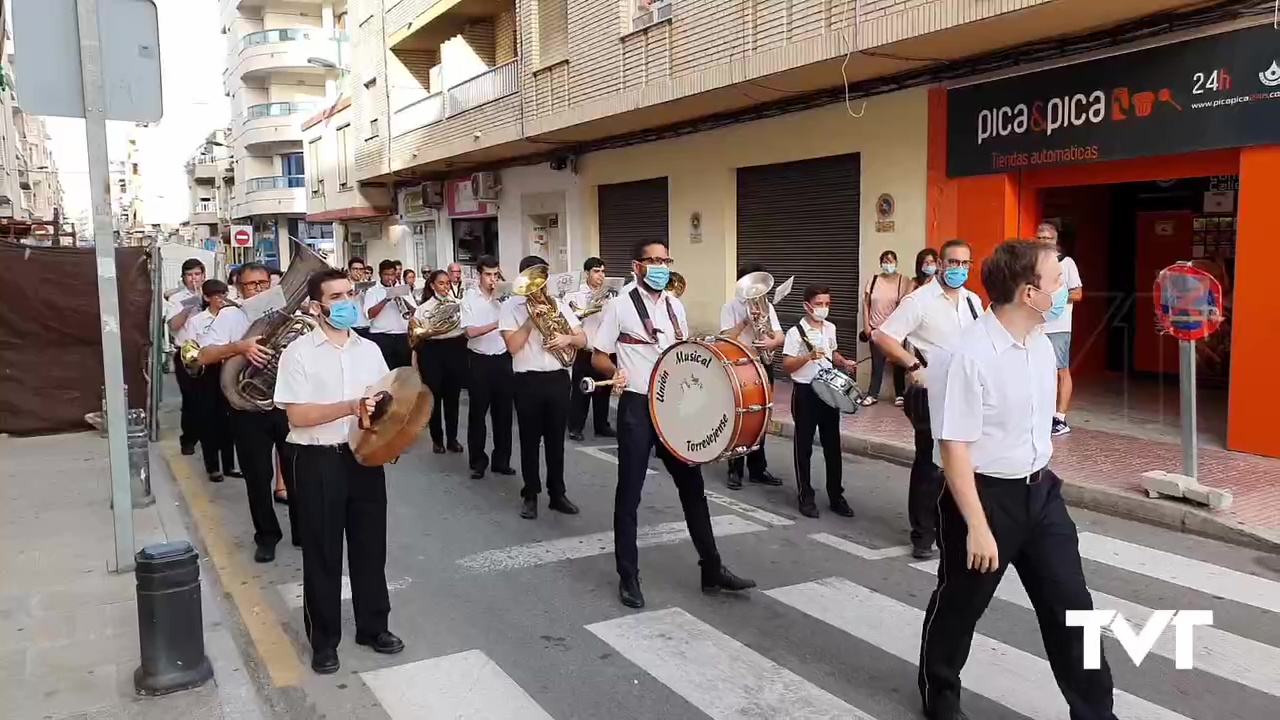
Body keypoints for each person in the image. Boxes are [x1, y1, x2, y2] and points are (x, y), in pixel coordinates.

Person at [918, 239, 1114, 720]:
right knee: (961, 605)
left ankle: (1096, 713)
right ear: (1030, 292)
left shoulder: (1043, 346)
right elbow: (954, 447)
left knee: (1073, 609)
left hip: (1041, 495)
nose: (1064, 287)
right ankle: (939, 691)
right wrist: (979, 527)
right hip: (985, 498)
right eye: (1056, 281)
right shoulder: (969, 354)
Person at [592, 240, 756, 609]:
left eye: (665, 259)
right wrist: (614, 371)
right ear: (637, 266)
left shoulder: (675, 305)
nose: (661, 266)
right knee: (629, 494)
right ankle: (628, 577)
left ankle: (711, 569)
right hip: (636, 404)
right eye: (653, 261)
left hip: (673, 405)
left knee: (693, 489)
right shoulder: (618, 306)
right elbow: (599, 356)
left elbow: (681, 353)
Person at [274, 267, 404, 675]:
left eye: (350, 294)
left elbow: (386, 401)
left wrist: (390, 428)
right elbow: (296, 413)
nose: (347, 302)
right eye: (336, 297)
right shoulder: (298, 353)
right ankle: (324, 640)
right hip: (316, 461)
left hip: (363, 459)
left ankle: (373, 626)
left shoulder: (369, 350)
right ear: (316, 306)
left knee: (370, 547)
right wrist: (350, 406)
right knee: (323, 554)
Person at [873, 239, 983, 560]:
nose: (958, 269)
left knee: (959, 462)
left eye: (964, 264)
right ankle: (923, 535)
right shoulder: (919, 301)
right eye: (952, 263)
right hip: (929, 392)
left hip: (962, 392)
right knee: (930, 463)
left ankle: (950, 526)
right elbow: (883, 336)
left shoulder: (974, 302)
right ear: (939, 263)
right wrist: (912, 365)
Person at [196, 262, 298, 563]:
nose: (257, 289)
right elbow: (203, 354)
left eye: (262, 283)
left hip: (286, 402)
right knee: (257, 476)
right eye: (250, 285)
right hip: (246, 406)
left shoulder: (286, 310)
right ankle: (267, 536)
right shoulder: (230, 316)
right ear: (239, 289)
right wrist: (241, 347)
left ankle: (303, 529)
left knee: (297, 470)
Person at [499, 255, 586, 519]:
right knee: (529, 440)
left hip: (558, 378)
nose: (537, 287)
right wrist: (529, 321)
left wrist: (566, 338)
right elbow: (512, 348)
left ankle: (557, 493)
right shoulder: (510, 307)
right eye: (531, 279)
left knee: (555, 440)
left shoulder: (558, 304)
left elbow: (582, 339)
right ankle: (530, 493)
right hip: (528, 381)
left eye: (540, 279)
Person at [782, 284, 858, 518]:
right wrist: (807, 357)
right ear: (807, 305)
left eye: (827, 304)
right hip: (805, 392)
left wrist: (844, 362)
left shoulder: (830, 328)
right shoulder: (796, 332)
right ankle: (806, 496)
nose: (823, 308)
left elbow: (831, 353)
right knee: (803, 447)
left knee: (832, 446)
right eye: (819, 304)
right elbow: (787, 365)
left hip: (828, 392)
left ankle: (836, 495)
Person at [717, 262, 784, 490]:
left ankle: (758, 469)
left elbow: (780, 336)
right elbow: (726, 338)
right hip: (740, 365)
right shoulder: (730, 307)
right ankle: (735, 469)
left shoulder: (767, 306)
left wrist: (771, 341)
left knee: (762, 416)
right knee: (740, 418)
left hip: (762, 364)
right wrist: (746, 321)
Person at [460, 255, 516, 480]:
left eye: (495, 274)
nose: (492, 279)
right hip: (480, 359)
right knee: (478, 414)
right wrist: (497, 323)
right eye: (488, 275)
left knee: (503, 414)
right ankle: (478, 461)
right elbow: (469, 331)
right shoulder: (469, 299)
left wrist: (505, 302)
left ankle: (501, 461)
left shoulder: (505, 298)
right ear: (478, 275)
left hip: (503, 358)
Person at [186, 279, 239, 482]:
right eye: (216, 295)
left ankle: (229, 465)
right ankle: (213, 467)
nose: (221, 299)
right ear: (207, 298)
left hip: (230, 367)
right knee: (209, 420)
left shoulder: (233, 316)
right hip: (208, 370)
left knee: (228, 419)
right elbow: (190, 349)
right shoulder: (197, 321)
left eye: (224, 294)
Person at [1035, 222, 1084, 436]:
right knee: (1038, 370)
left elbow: (1078, 293)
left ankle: (1060, 418)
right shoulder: (1033, 263)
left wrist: (1056, 297)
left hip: (1058, 326)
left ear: (1055, 240)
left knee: (1060, 369)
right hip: (1036, 325)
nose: (1043, 242)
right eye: (1040, 238)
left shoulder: (1067, 264)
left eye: (1047, 238)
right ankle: (1041, 413)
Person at [413, 270, 466, 455]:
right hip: (431, 351)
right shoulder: (424, 308)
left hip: (454, 348)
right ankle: (437, 440)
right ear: (432, 285)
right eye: (441, 283)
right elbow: (417, 334)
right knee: (433, 398)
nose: (445, 287)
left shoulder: (458, 305)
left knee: (453, 397)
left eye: (447, 283)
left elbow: (464, 327)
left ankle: (452, 439)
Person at [563, 257, 616, 441]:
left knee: (603, 390)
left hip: (605, 349)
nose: (600, 275)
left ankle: (602, 425)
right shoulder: (575, 295)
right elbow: (571, 318)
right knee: (581, 390)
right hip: (585, 349)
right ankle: (575, 427)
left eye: (602, 271)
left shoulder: (610, 295)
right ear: (587, 273)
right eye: (596, 271)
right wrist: (591, 308)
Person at [166, 258, 207, 455]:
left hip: (208, 352)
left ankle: (210, 439)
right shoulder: (176, 299)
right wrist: (189, 308)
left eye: (197, 275)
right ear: (183, 278)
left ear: (203, 275)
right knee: (190, 399)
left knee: (210, 399)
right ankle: (189, 439)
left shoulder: (210, 294)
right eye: (190, 275)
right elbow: (173, 325)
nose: (194, 279)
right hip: (185, 352)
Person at [863, 250, 909, 407]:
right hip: (876, 329)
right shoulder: (874, 279)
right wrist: (866, 325)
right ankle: (872, 394)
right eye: (885, 261)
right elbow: (866, 303)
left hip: (895, 331)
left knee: (898, 362)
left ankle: (900, 394)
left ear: (896, 262)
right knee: (877, 364)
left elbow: (905, 306)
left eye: (890, 261)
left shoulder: (903, 281)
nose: (888, 264)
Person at [363, 260, 412, 369]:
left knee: (404, 371)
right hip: (380, 336)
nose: (390, 278)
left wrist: (403, 299)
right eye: (386, 274)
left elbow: (414, 311)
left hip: (401, 336)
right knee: (384, 371)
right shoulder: (372, 291)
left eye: (392, 274)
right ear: (380, 274)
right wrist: (386, 299)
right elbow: (369, 314)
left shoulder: (403, 289)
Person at [346, 257, 373, 339]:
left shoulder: (368, 285)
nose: (358, 272)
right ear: (349, 270)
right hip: (350, 326)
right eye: (355, 269)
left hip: (366, 325)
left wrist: (368, 292)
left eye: (361, 269)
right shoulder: (344, 285)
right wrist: (352, 294)